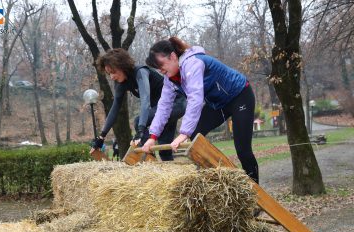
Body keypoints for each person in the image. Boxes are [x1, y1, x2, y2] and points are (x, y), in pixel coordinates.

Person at [142, 37, 259, 184]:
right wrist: (152, 137)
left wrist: (183, 133)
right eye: (156, 68)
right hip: (218, 103)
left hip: (240, 96)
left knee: (242, 149)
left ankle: (256, 193)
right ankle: (213, 180)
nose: (160, 70)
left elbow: (195, 99)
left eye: (161, 65)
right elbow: (163, 107)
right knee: (196, 132)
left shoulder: (193, 63)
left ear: (172, 56)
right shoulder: (169, 79)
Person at [90, 48, 186, 161]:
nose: (112, 77)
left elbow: (145, 101)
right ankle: (164, 172)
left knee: (138, 121)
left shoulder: (140, 72)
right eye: (109, 74)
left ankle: (147, 157)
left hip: (176, 103)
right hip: (161, 111)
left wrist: (140, 130)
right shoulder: (120, 84)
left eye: (113, 72)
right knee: (165, 151)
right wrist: (101, 136)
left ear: (122, 66)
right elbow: (114, 109)